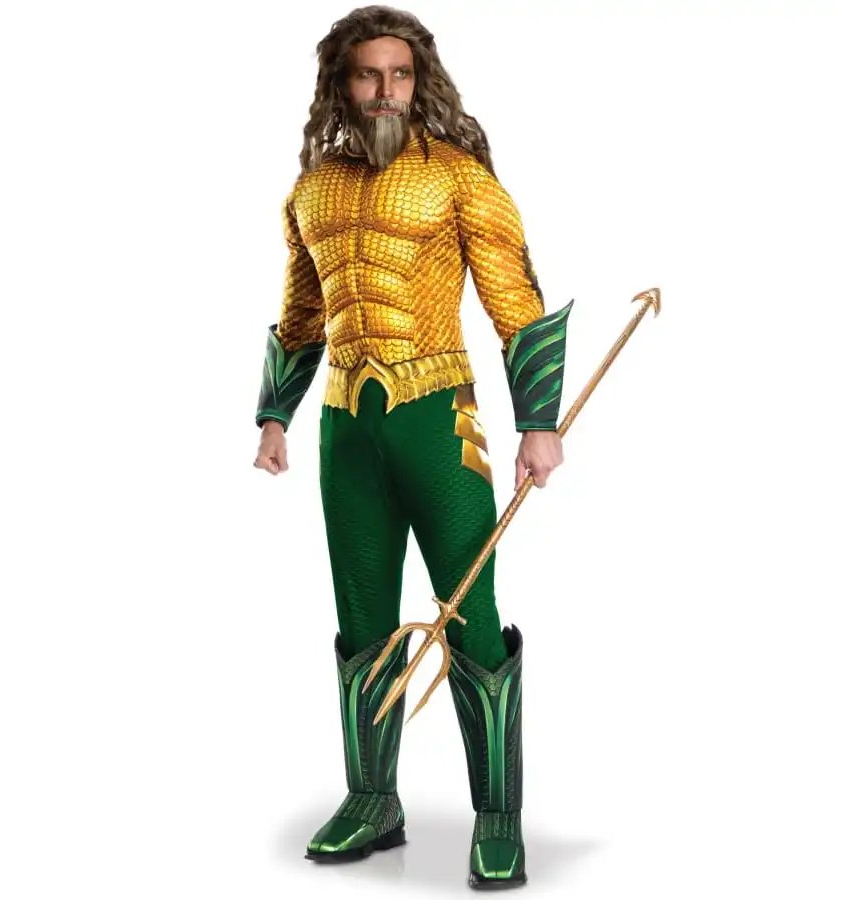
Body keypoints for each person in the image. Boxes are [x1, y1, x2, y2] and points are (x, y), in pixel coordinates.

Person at [253, 5, 573, 889]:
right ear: (343, 83)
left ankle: (498, 815)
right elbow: (301, 313)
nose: (386, 90)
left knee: (471, 612)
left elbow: (515, 298)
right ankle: (373, 800)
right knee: (361, 616)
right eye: (369, 74)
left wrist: (538, 424)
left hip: (439, 421)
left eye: (400, 74)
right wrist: (274, 417)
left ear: (419, 81)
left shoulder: (460, 177)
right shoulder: (312, 190)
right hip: (345, 429)